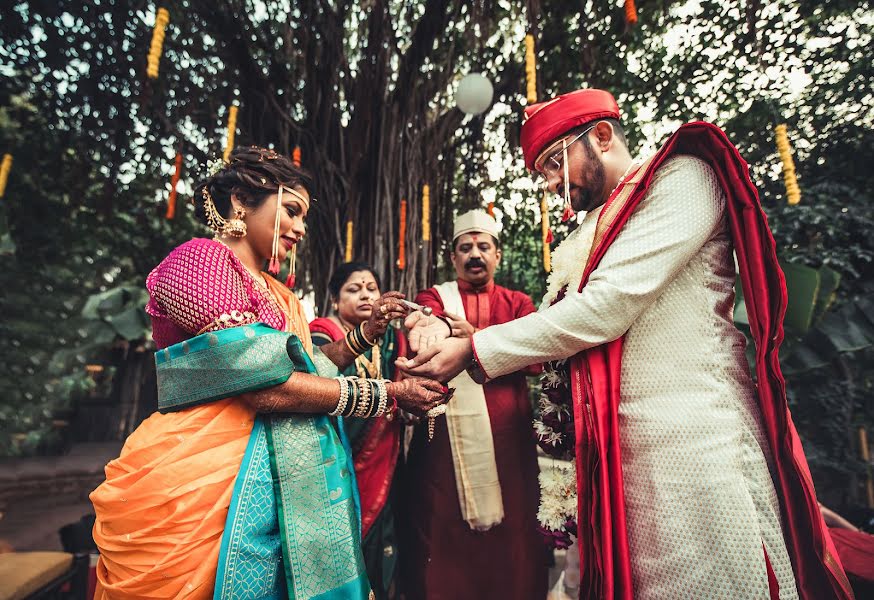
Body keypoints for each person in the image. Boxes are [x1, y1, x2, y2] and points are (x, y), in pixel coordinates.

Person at [398, 89, 854, 599]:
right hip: (620, 455)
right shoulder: (593, 227)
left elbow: (608, 306)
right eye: (542, 174)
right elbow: (563, 326)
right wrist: (474, 336)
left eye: (553, 163)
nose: (551, 184)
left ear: (601, 136)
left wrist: (476, 350)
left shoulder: (681, 181)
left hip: (697, 438)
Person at [90, 147, 448, 600]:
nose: (300, 229)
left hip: (287, 477)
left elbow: (306, 370)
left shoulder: (281, 294)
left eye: (303, 217)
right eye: (291, 211)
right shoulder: (199, 263)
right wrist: (391, 394)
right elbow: (262, 384)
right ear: (241, 201)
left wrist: (363, 334)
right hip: (203, 477)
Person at [398, 210, 548, 599]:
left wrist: (478, 337)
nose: (475, 254)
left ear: (498, 254)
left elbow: (537, 360)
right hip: (446, 446)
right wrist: (439, 327)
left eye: (483, 246)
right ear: (453, 258)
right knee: (443, 533)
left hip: (508, 445)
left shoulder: (518, 304)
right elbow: (426, 323)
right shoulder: (436, 297)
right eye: (465, 248)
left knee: (513, 542)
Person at [310, 262, 409, 600]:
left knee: (382, 552)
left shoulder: (393, 339)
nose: (366, 294)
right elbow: (317, 389)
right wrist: (392, 400)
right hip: (333, 464)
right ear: (335, 300)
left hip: (382, 464)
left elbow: (402, 385)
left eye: (371, 287)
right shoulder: (322, 333)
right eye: (354, 289)